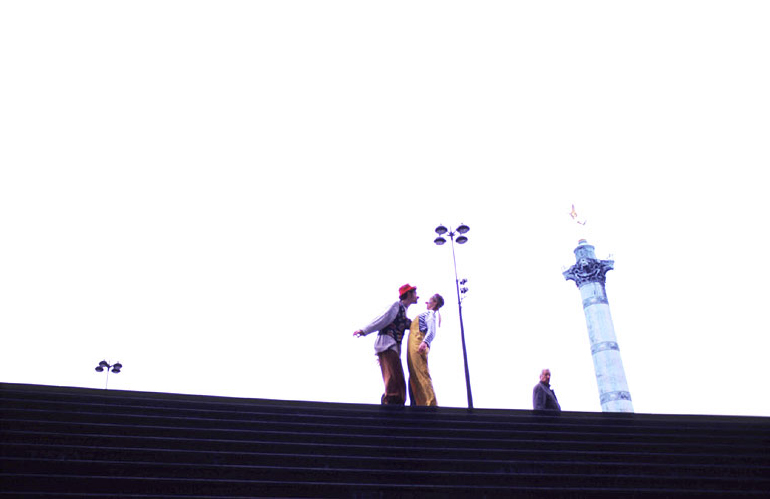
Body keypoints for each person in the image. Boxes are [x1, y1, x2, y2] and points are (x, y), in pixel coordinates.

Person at [354, 284, 418, 405]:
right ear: (409, 294)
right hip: (387, 345)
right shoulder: (396, 306)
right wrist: (364, 330)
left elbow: (413, 325)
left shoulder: (403, 311)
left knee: (398, 377)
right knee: (393, 377)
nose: (417, 296)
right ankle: (390, 402)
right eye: (415, 293)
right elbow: (382, 319)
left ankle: (396, 402)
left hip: (393, 347)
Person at [407, 293, 444, 406]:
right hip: (415, 345)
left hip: (418, 343)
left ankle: (430, 402)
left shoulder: (430, 314)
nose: (426, 303)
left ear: (434, 303)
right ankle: (416, 402)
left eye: (429, 300)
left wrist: (425, 342)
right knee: (414, 373)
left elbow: (432, 331)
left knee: (421, 372)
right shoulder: (427, 314)